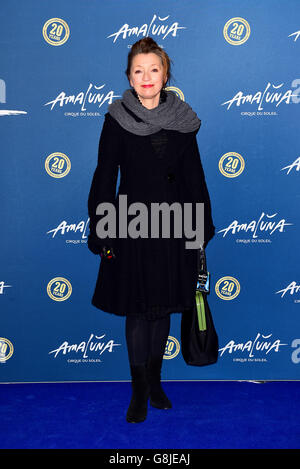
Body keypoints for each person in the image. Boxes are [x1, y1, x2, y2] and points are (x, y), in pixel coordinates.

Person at [87, 37, 215, 423]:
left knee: (162, 310)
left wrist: (201, 227)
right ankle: (138, 389)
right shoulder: (116, 119)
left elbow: (194, 176)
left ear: (165, 75)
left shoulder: (184, 120)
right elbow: (105, 175)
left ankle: (156, 382)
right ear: (129, 76)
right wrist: (101, 224)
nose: (146, 77)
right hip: (130, 225)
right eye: (138, 70)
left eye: (153, 69)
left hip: (174, 227)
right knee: (138, 310)